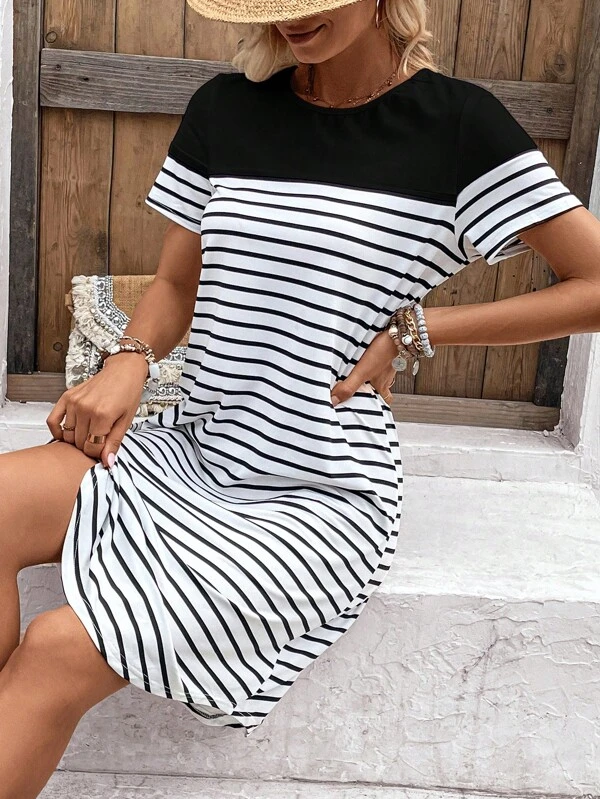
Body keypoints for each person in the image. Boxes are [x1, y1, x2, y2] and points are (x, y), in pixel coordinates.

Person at [1, 0, 599, 795]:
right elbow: (177, 282)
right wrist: (129, 362)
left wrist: (418, 327)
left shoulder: (459, 126)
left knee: (56, 647)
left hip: (321, 491)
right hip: (195, 450)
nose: (297, 16)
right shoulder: (226, 109)